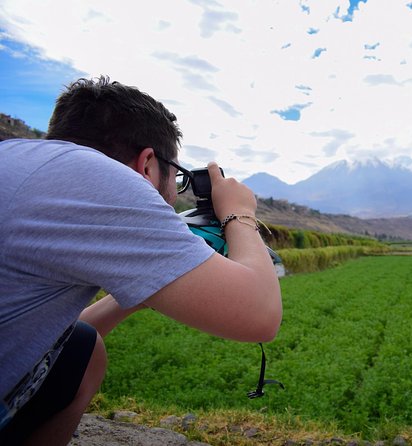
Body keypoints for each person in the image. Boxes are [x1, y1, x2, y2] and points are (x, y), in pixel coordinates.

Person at [0, 77, 282, 445]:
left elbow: (46, 335)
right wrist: (240, 213)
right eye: (176, 178)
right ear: (148, 164)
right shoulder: (102, 179)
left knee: (82, 349)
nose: (172, 197)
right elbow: (259, 316)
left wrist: (141, 291)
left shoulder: (21, 159)